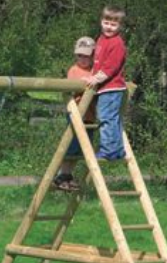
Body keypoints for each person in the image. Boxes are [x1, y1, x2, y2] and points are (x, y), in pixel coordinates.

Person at [84, 5, 128, 161]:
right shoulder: (101, 39)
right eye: (106, 22)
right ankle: (117, 150)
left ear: (120, 26)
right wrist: (91, 75)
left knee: (106, 118)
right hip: (104, 88)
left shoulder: (117, 43)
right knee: (110, 118)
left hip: (111, 87)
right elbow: (97, 63)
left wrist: (95, 79)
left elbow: (110, 67)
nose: (109, 27)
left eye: (114, 24)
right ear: (101, 21)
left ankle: (109, 150)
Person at [54, 36, 97, 192]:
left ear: (93, 56)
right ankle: (62, 175)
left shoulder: (95, 71)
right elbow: (75, 86)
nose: (83, 59)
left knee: (82, 150)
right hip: (76, 113)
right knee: (71, 147)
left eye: (87, 56)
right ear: (76, 55)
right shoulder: (74, 70)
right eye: (80, 55)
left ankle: (68, 175)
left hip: (90, 115)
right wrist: (88, 82)